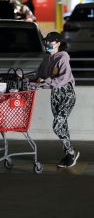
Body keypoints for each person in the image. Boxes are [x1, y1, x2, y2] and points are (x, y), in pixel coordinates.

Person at [35, 31, 80, 168]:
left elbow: (63, 78)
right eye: (46, 42)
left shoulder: (63, 57)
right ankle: (69, 154)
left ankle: (71, 152)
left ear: (58, 43)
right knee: (62, 126)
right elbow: (39, 77)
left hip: (66, 94)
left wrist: (46, 81)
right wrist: (28, 81)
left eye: (50, 42)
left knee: (57, 125)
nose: (47, 44)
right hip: (55, 95)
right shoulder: (46, 60)